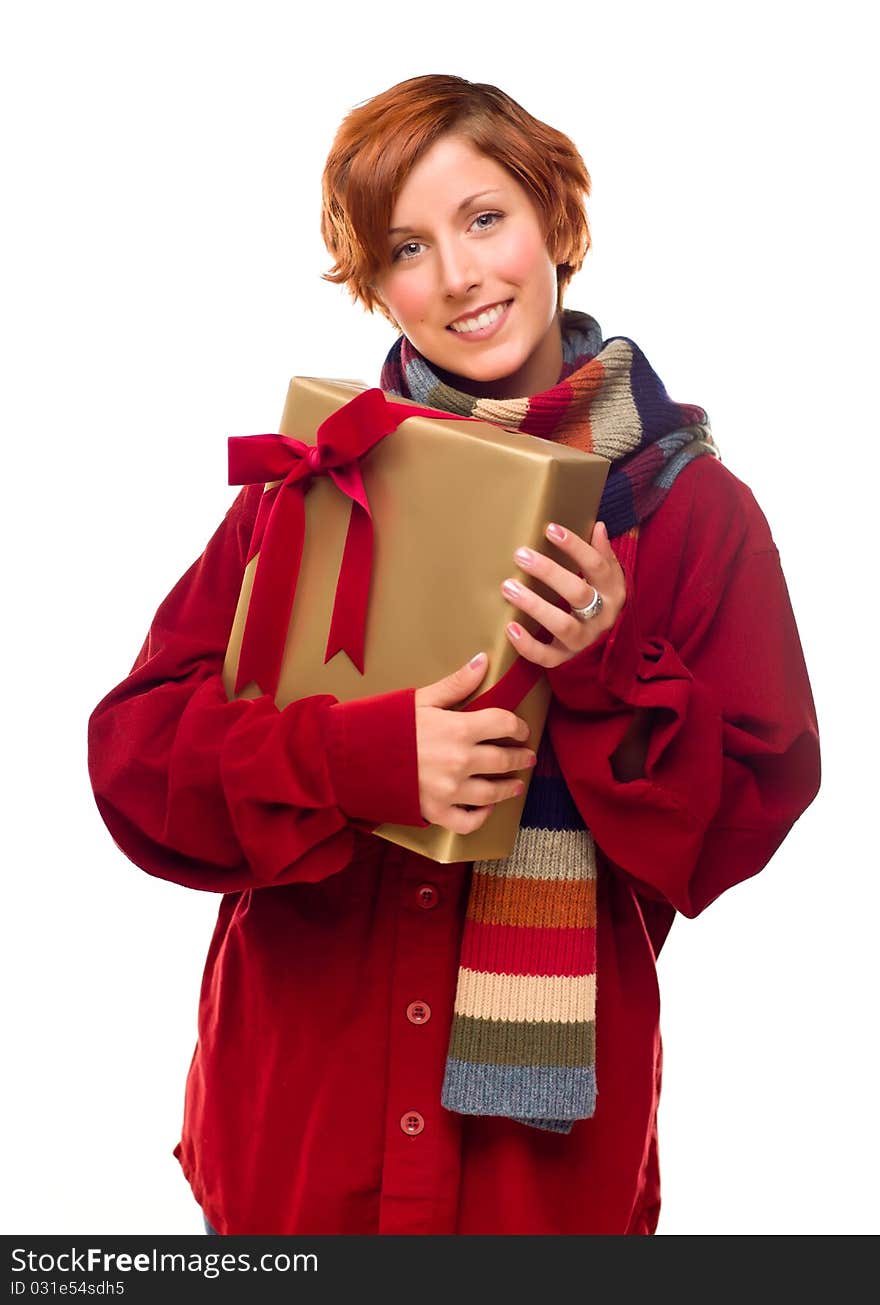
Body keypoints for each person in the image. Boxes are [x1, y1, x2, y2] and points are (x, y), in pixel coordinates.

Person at [87, 74, 821, 1236]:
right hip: (300, 1129)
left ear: (558, 222)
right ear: (376, 287)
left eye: (486, 219)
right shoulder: (317, 477)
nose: (461, 277)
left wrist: (604, 666)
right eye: (407, 248)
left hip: (536, 1179)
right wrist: (357, 761)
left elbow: (741, 820)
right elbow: (134, 761)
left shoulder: (691, 511)